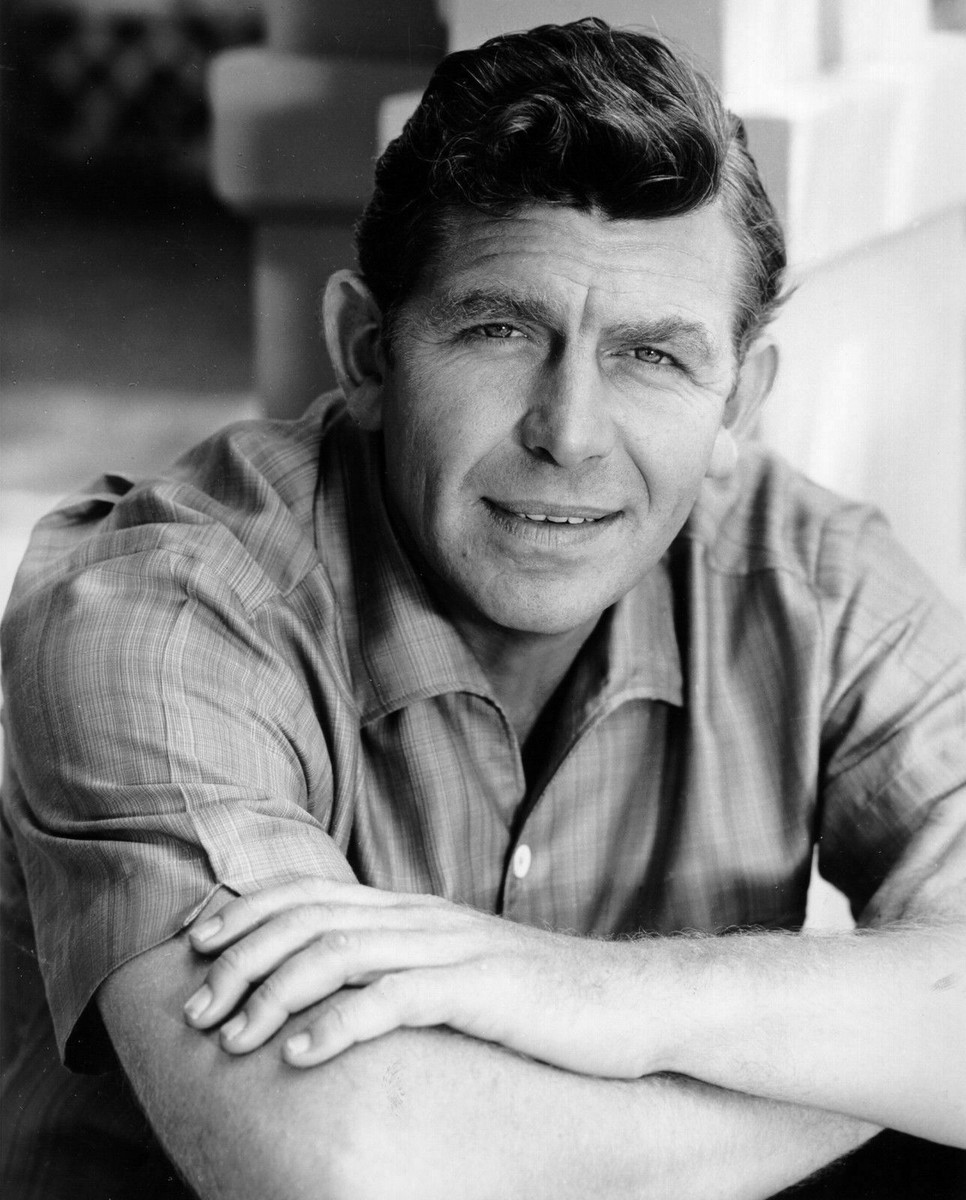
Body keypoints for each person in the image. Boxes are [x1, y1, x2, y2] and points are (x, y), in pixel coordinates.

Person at [2, 17, 965, 1200]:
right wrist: (881, 1067)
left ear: (738, 403)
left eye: (653, 357)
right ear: (366, 351)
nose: (570, 434)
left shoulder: (814, 579)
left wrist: (589, 993)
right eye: (500, 331)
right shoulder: (162, 611)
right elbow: (346, 1163)